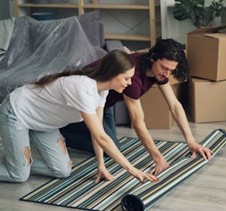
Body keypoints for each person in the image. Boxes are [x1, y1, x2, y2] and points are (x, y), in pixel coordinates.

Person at [0, 50, 158, 183]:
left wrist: (101, 165)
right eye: (126, 78)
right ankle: (19, 166)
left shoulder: (102, 91)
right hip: (17, 112)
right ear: (113, 74)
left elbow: (98, 133)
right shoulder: (83, 88)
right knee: (19, 176)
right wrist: (132, 169)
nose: (130, 83)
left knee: (63, 171)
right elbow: (102, 138)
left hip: (43, 123)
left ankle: (19, 163)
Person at [61, 39, 212, 176]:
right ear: (153, 58)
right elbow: (138, 124)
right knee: (107, 147)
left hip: (103, 102)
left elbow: (174, 105)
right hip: (80, 101)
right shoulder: (133, 77)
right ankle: (61, 129)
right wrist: (158, 158)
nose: (167, 74)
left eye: (171, 71)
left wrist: (191, 141)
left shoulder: (158, 71)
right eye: (164, 68)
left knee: (109, 144)